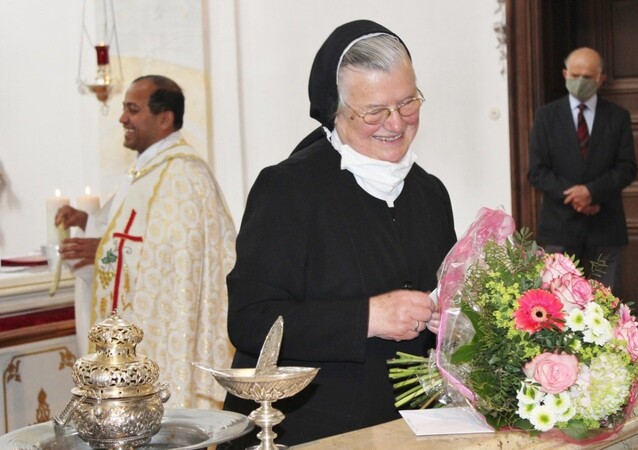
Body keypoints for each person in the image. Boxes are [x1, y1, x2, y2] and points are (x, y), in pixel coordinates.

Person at [221, 20, 457, 447]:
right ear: (336, 109)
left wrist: (448, 316)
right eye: (374, 111)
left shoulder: (430, 192)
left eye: (407, 103)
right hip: (310, 429)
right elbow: (250, 320)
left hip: (410, 427)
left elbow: (443, 297)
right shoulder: (287, 190)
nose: (396, 123)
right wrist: (368, 317)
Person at [55, 75, 237, 409]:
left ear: (164, 119)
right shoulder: (144, 171)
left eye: (132, 109)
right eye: (125, 108)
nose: (122, 118)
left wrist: (105, 249)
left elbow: (177, 257)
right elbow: (126, 229)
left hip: (167, 337)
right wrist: (88, 223)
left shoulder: (184, 176)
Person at [528, 47, 637, 289]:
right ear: (565, 74)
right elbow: (537, 171)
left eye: (586, 77)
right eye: (574, 75)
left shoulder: (618, 117)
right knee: (558, 305)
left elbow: (627, 167)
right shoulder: (546, 116)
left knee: (606, 304)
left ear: (601, 79)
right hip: (559, 227)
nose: (579, 81)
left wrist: (591, 193)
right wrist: (575, 196)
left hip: (605, 225)